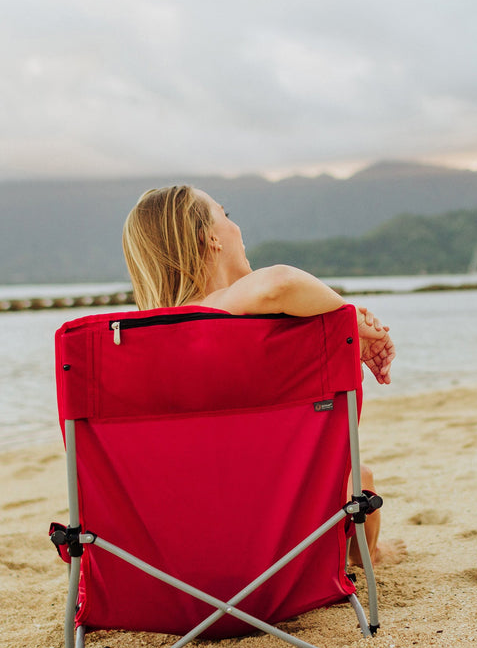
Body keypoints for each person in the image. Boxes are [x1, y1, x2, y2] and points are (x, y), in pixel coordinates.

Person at [121, 184, 399, 563]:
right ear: (210, 238)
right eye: (227, 214)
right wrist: (348, 317)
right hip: (278, 552)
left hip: (167, 555)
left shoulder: (130, 349)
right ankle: (373, 555)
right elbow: (280, 283)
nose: (237, 227)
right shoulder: (236, 318)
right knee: (359, 477)